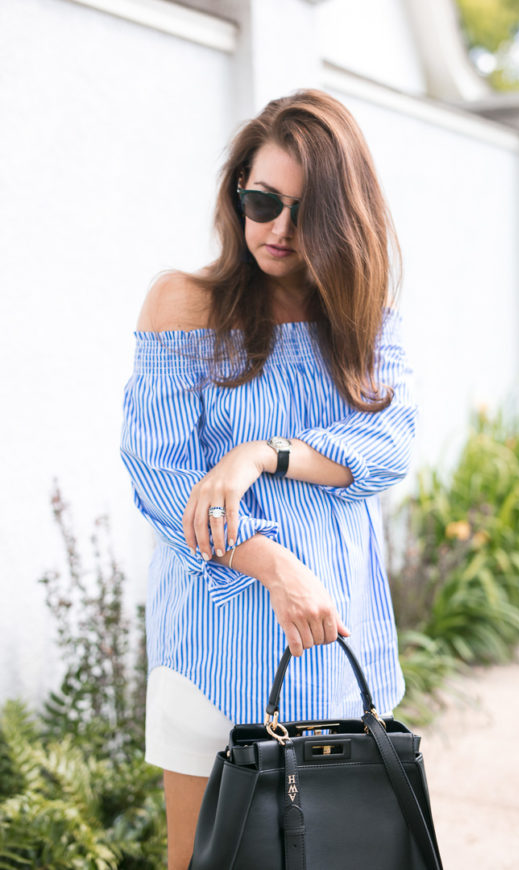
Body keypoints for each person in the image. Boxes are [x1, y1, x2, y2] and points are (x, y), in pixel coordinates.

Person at [120, 88, 418, 870]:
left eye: (301, 208)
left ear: (340, 213)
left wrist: (261, 452)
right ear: (236, 195)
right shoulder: (183, 304)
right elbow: (161, 477)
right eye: (260, 201)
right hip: (212, 649)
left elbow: (388, 443)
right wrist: (279, 568)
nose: (276, 228)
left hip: (336, 633)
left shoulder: (361, 310)